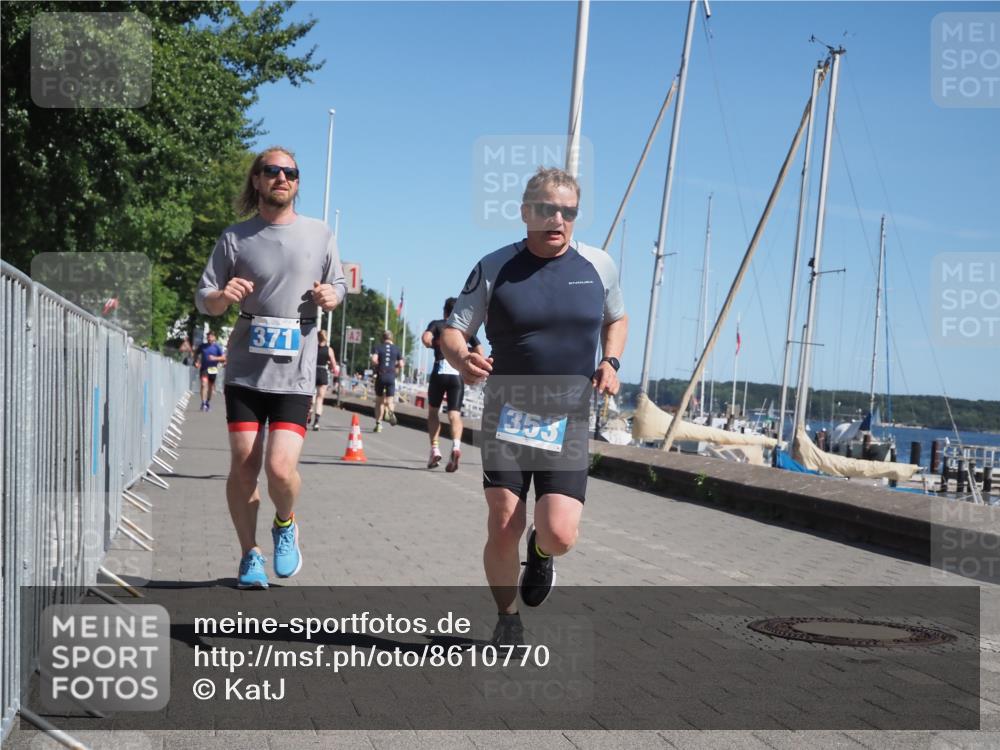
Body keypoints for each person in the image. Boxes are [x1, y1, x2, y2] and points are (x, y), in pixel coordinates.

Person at [441, 167, 627, 645]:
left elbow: (618, 318)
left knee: (561, 532)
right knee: (504, 524)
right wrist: (463, 358)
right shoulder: (495, 266)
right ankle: (508, 618)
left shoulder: (598, 265)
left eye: (567, 212)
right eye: (546, 209)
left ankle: (541, 554)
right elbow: (452, 331)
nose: (557, 219)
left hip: (569, 418)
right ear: (525, 212)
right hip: (509, 413)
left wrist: (610, 361)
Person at [195, 146, 346, 589]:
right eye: (272, 171)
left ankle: (285, 522)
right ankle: (249, 555)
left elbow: (338, 284)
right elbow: (204, 297)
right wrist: (223, 296)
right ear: (257, 181)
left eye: (290, 173)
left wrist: (333, 297)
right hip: (245, 370)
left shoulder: (320, 235)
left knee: (280, 468)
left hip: (295, 372)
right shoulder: (235, 238)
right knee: (244, 465)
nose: (282, 178)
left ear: (298, 183)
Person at [422, 297, 484, 471]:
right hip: (456, 376)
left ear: (444, 311)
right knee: (454, 414)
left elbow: (426, 339)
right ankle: (456, 446)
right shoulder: (465, 331)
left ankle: (435, 448)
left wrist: (433, 344)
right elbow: (480, 351)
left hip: (439, 373)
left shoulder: (437, 324)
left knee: (433, 412)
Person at [370, 330, 403, 433]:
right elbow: (401, 364)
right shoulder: (397, 349)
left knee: (379, 401)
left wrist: (378, 366)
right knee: (390, 400)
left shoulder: (378, 347)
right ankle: (390, 412)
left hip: (381, 375)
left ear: (382, 338)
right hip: (391, 376)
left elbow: (374, 360)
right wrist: (394, 366)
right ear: (391, 338)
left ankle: (378, 424)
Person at [307, 330, 338, 430]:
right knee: (320, 399)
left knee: (311, 397)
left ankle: (310, 411)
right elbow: (334, 365)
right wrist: (333, 369)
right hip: (322, 372)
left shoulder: (312, 348)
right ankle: (316, 422)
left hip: (313, 372)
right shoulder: (329, 350)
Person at [194, 331, 226, 411]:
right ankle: (203, 402)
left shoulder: (217, 347)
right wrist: (196, 361)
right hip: (204, 368)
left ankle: (207, 401)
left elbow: (223, 358)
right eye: (208, 336)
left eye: (211, 336)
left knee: (211, 387)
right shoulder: (202, 346)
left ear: (214, 338)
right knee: (204, 384)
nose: (209, 338)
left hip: (213, 369)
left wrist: (215, 358)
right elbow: (196, 353)